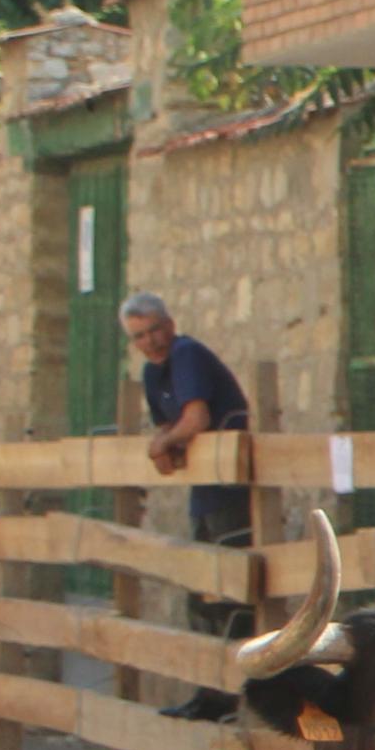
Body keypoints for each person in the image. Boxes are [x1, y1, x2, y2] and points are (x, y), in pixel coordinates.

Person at [122, 292, 252, 723]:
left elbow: (194, 418)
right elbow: (169, 423)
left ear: (170, 324)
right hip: (204, 491)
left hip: (229, 488)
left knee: (230, 593)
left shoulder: (186, 353)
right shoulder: (152, 371)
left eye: (155, 330)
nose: (151, 341)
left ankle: (241, 694)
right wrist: (167, 441)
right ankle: (213, 693)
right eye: (140, 336)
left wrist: (164, 443)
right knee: (203, 593)